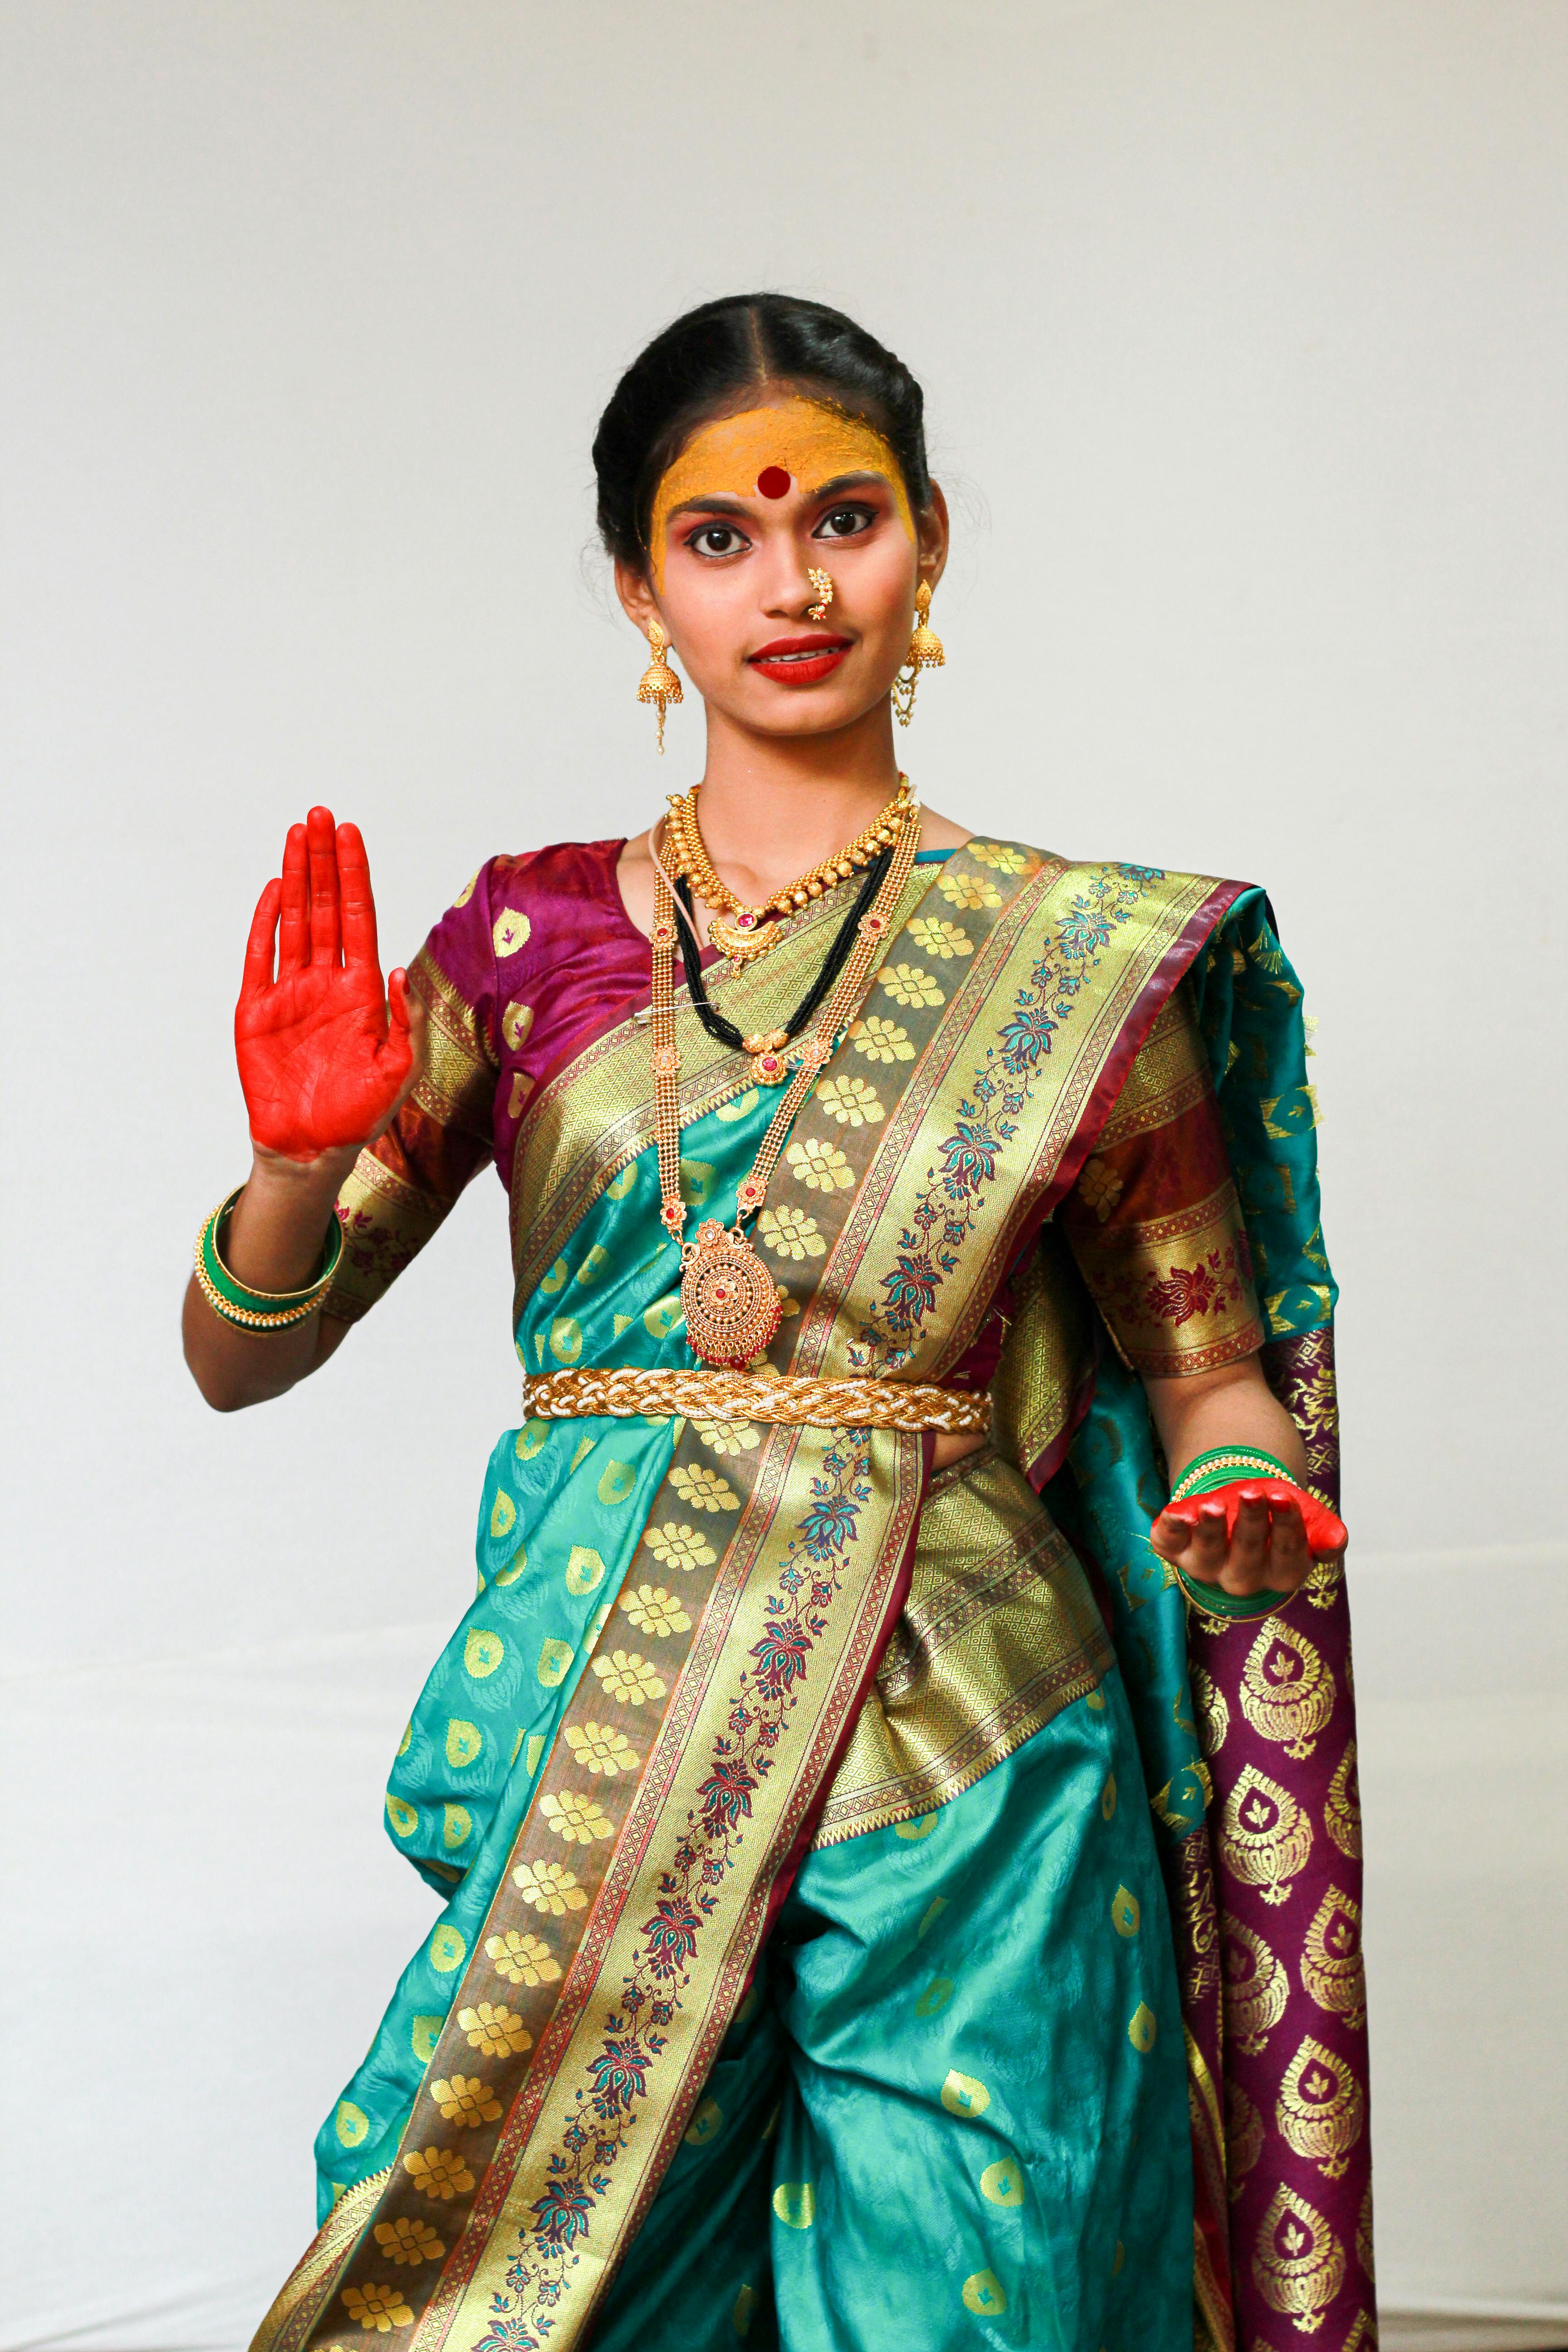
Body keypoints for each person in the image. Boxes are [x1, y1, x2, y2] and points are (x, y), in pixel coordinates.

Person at [187, 294, 1371, 2352]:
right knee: (508, 2291)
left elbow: (1199, 1364)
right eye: (720, 539)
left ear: (927, 548)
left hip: (973, 1746)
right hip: (597, 1727)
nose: (793, 582)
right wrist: (295, 1166)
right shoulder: (522, 942)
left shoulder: (1083, 963)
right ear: (641, 588)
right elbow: (244, 1355)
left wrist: (1243, 1471)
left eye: (845, 518)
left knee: (979, 2305)